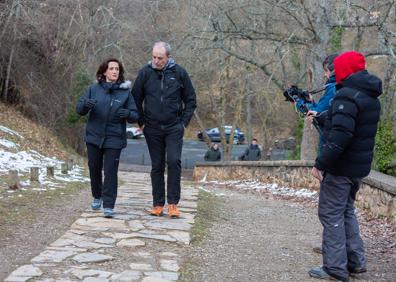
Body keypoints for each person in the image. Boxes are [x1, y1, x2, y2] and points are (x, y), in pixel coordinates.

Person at [308, 51, 382, 282]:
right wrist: (322, 118)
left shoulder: (346, 96)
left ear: (345, 70)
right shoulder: (369, 96)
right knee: (346, 211)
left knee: (331, 214)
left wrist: (320, 164)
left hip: (341, 168)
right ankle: (356, 261)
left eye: (337, 69)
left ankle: (335, 268)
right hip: (357, 168)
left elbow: (340, 137)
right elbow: (349, 124)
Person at [132, 42, 197, 218]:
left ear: (168, 57)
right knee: (157, 165)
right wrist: (141, 122)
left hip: (174, 127)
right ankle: (158, 204)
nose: (156, 61)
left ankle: (173, 204)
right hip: (151, 127)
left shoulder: (179, 73)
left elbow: (191, 100)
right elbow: (135, 98)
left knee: (174, 161)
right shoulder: (145, 73)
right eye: (154, 57)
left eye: (160, 58)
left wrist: (183, 122)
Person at [76, 58, 139, 218]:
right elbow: (79, 110)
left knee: (110, 172)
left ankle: (109, 205)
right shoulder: (93, 89)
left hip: (114, 138)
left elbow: (135, 114)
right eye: (111, 68)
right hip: (94, 136)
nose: (114, 71)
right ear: (104, 71)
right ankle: (97, 196)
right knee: (94, 168)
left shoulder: (125, 93)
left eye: (117, 69)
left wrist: (128, 114)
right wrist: (86, 105)